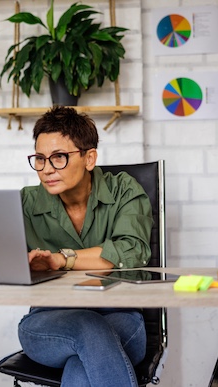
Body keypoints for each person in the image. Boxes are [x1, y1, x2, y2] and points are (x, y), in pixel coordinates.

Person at [18, 106, 153, 387]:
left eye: (58, 158)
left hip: (121, 318)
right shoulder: (25, 203)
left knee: (82, 365)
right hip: (47, 323)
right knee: (86, 330)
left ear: (89, 157)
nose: (46, 170)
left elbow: (131, 250)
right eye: (40, 159)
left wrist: (60, 260)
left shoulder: (124, 190)